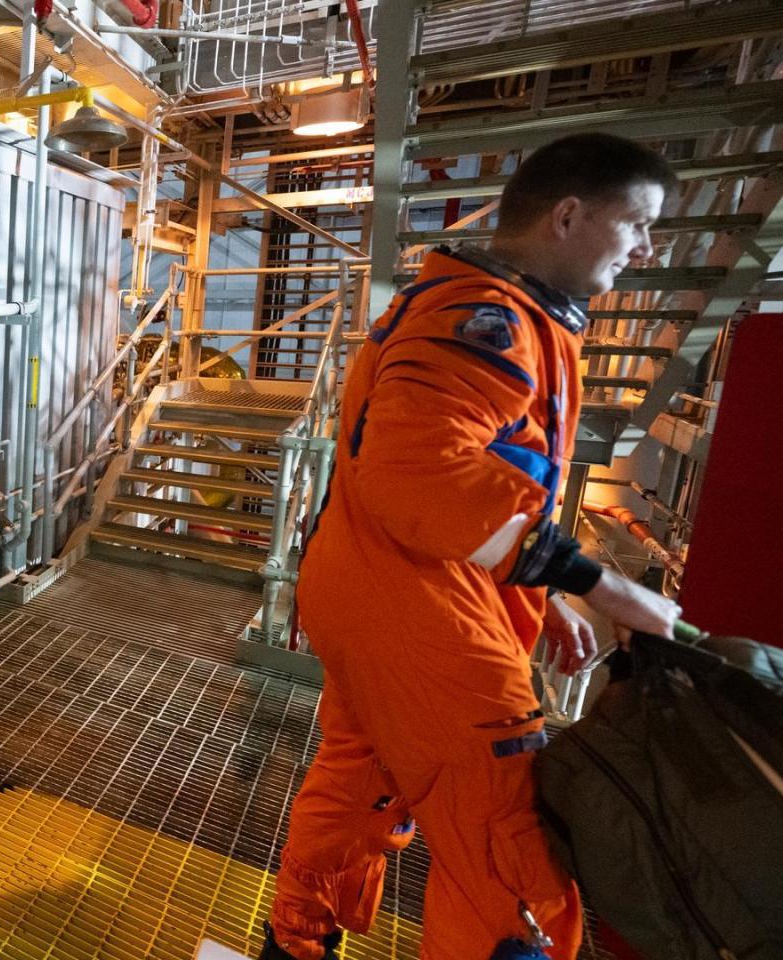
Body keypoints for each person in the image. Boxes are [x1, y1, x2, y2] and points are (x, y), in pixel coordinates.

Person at [259, 133, 684, 960]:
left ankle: (295, 947)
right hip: (419, 613)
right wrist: (604, 585)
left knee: (359, 787)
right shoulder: (488, 324)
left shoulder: (481, 312)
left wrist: (544, 594)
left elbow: (467, 479)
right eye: (637, 225)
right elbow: (419, 474)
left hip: (379, 590)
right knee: (507, 843)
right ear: (568, 216)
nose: (647, 248)